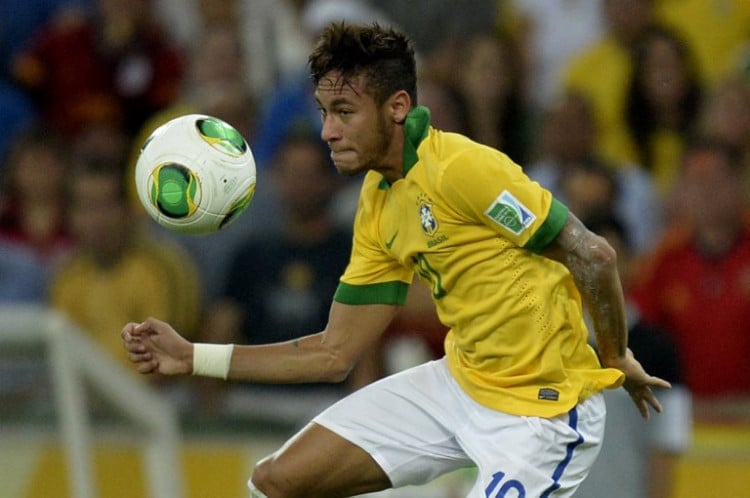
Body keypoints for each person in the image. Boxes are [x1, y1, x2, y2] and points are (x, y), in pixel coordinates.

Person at [122, 23, 670, 497]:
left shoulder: (461, 168)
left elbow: (593, 255)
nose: (327, 132)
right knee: (278, 481)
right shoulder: (379, 200)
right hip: (460, 385)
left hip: (543, 413)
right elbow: (333, 353)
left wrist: (616, 356)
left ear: (397, 107)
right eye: (323, 112)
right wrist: (194, 356)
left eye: (343, 112)